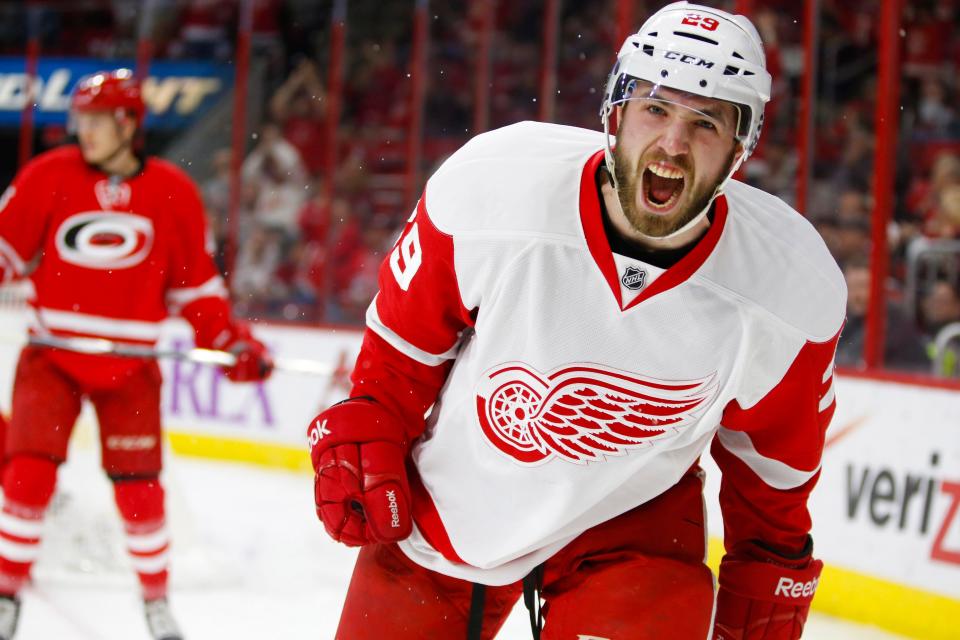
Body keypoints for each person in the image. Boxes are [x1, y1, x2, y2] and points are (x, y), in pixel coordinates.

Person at [307, 3, 846, 639]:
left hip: (630, 530)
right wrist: (372, 416)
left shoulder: (786, 291)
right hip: (452, 508)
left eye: (704, 123)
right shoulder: (495, 189)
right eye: (655, 109)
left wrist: (764, 595)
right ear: (615, 113)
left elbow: (772, 491)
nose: (672, 144)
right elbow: (402, 353)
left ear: (740, 147)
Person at [0, 69, 272, 640]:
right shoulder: (47, 176)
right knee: (26, 479)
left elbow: (195, 288)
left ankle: (154, 599)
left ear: (128, 123)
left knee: (141, 491)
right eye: (82, 120)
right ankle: (6, 593)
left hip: (130, 367)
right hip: (52, 358)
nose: (85, 131)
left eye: (98, 120)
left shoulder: (172, 191)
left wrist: (230, 342)